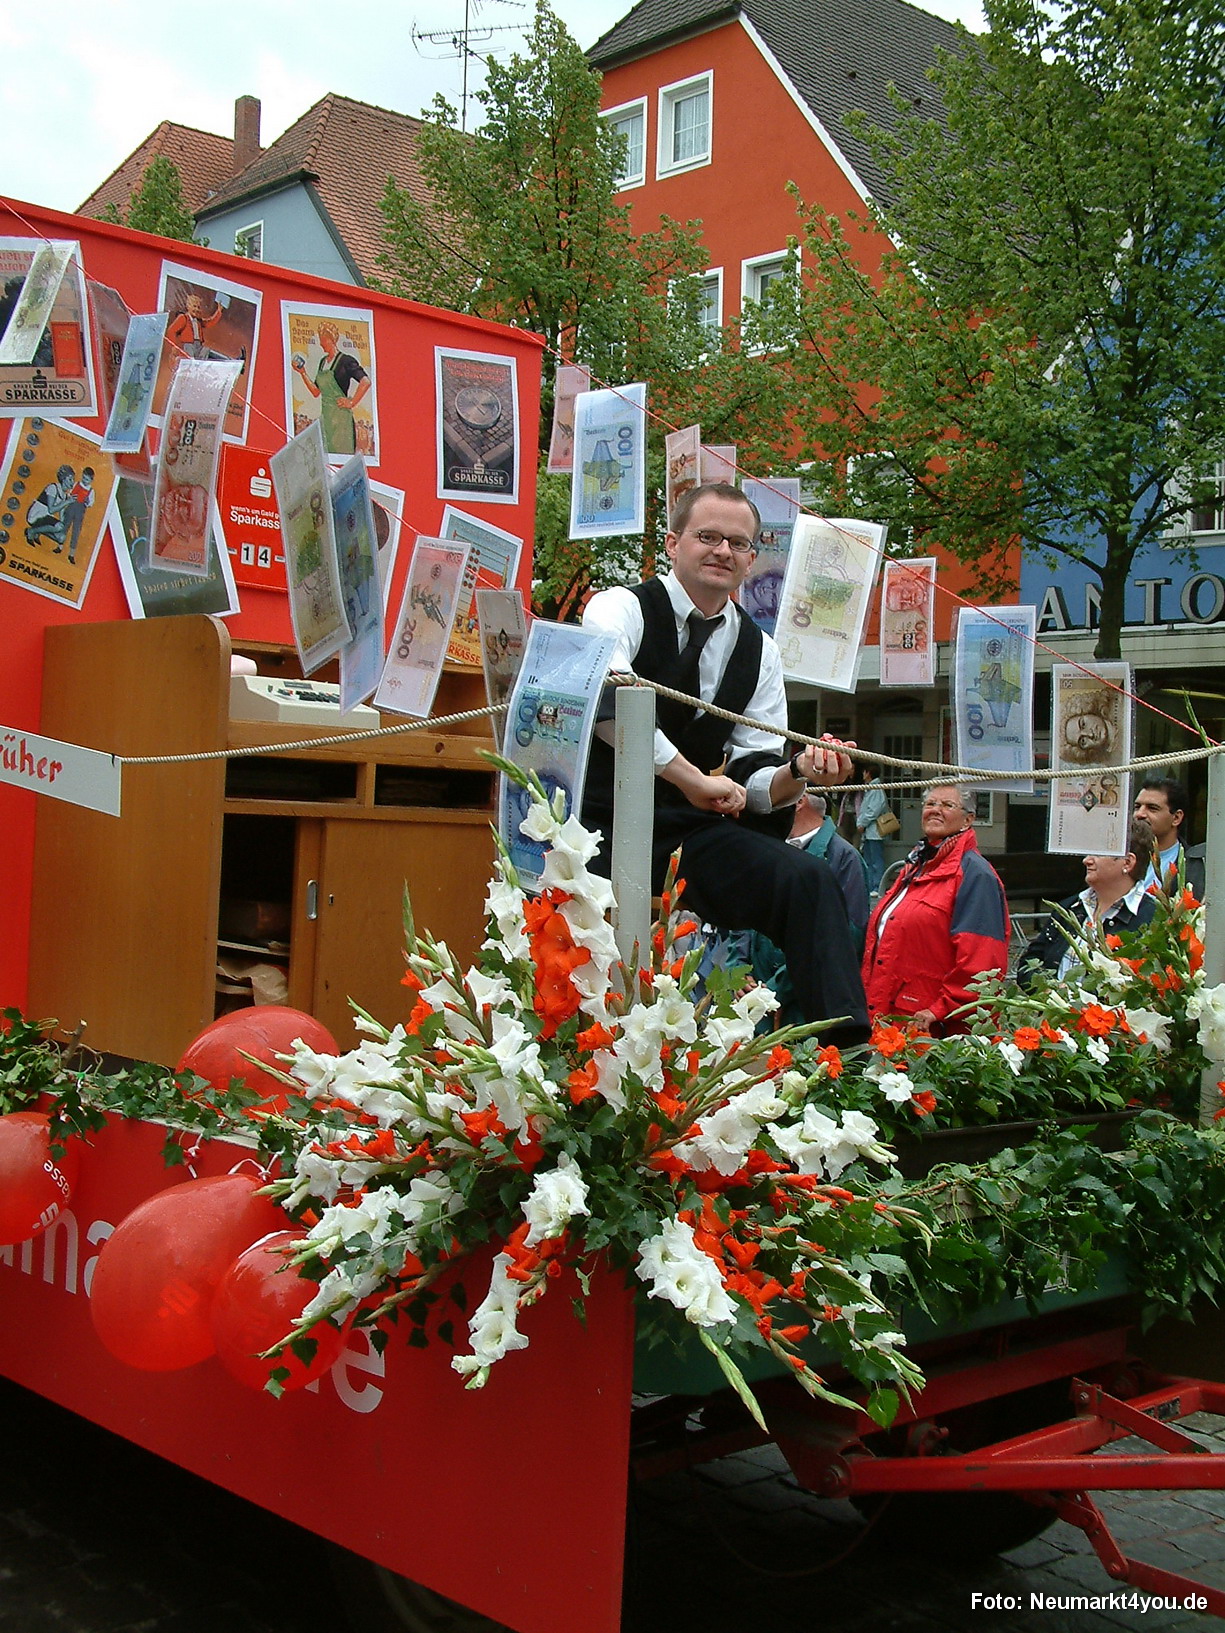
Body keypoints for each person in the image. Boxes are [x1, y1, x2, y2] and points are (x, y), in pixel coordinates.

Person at [580, 482, 869, 1044]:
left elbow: (753, 770)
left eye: (738, 543)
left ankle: (844, 1055)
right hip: (596, 823)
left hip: (687, 830)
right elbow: (606, 697)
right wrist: (691, 779)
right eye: (707, 537)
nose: (722, 552)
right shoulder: (619, 608)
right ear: (672, 543)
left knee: (807, 880)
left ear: (752, 558)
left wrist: (800, 773)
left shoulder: (761, 650)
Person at [861, 782, 1009, 1034]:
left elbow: (983, 964)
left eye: (947, 805)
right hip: (892, 1016)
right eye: (930, 804)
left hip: (930, 1027)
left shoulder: (974, 875)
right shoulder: (917, 864)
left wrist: (941, 1009)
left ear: (968, 820)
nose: (935, 810)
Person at [1018, 819, 1158, 987]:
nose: (1086, 860)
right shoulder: (1070, 907)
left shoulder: (1153, 919)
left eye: (1097, 853)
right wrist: (1050, 991)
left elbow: (1148, 988)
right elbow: (1029, 963)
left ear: (1127, 862)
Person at [292, 320, 371, 456]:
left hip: (341, 422)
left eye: (323, 340)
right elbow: (316, 392)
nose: (321, 344)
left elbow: (365, 381)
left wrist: (352, 402)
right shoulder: (323, 362)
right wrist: (303, 372)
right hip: (326, 418)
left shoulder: (346, 361)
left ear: (332, 340)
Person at [1133, 775, 1205, 898]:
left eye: (1152, 808)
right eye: (1137, 807)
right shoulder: (1116, 858)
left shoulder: (1197, 868)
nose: (1140, 814)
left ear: (1176, 818)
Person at [856, 773, 889, 894]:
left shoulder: (876, 789)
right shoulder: (869, 788)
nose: (863, 774)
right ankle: (870, 885)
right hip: (869, 832)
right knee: (869, 860)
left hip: (875, 831)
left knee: (876, 860)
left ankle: (877, 886)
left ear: (869, 773)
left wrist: (862, 823)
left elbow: (873, 810)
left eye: (864, 772)